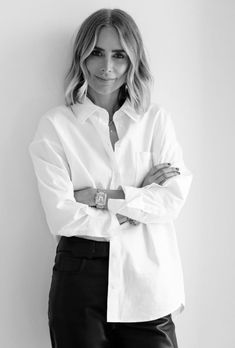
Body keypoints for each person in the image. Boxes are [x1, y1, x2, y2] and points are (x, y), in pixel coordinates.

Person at [29, 8, 192, 348]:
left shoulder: (155, 120)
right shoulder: (56, 126)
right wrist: (135, 202)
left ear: (133, 60)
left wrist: (101, 197)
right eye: (97, 53)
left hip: (148, 281)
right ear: (82, 57)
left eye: (119, 55)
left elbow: (171, 200)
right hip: (79, 280)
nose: (107, 68)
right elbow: (61, 216)